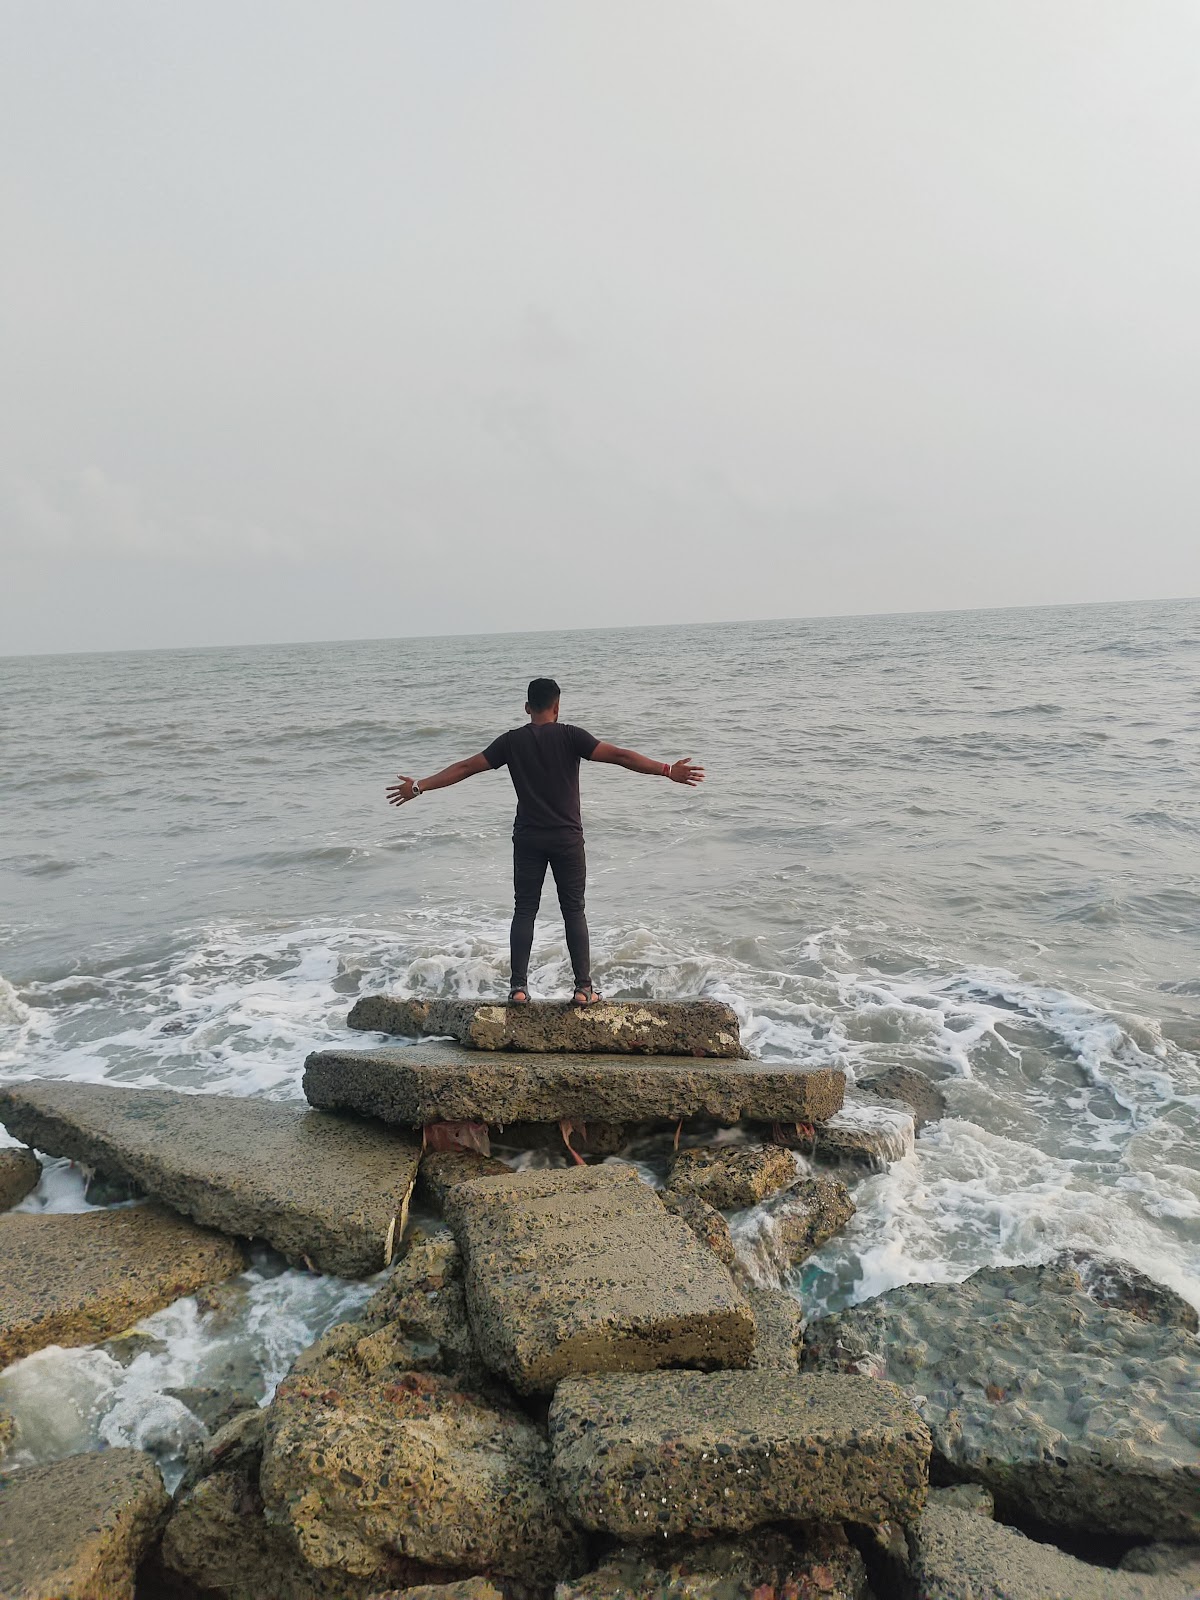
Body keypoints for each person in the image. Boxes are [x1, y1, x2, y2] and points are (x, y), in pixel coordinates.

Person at [387, 676, 704, 1006]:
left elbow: (467, 767)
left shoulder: (510, 742)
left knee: (524, 910)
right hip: (567, 838)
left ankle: (519, 989)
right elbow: (621, 756)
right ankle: (583, 989)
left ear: (527, 708)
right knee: (574, 911)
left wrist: (418, 786)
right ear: (557, 707)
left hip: (528, 839)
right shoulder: (571, 735)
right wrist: (667, 770)